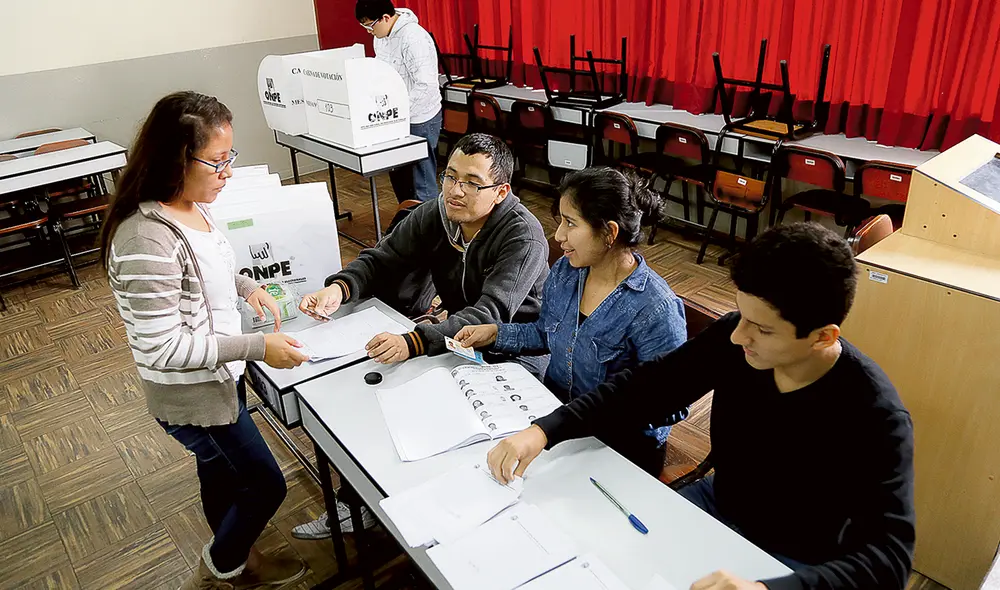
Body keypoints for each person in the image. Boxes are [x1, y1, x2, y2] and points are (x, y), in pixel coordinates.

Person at [487, 223, 916, 590]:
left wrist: (766, 588)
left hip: (801, 557)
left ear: (823, 336)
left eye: (762, 329)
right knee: (605, 560)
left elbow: (888, 559)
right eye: (741, 315)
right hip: (720, 501)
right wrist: (545, 430)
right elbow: (647, 387)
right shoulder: (737, 340)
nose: (738, 336)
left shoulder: (875, 415)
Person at [292, 133, 548, 540]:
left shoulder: (523, 236)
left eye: (471, 182)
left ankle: (451, 527)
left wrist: (415, 341)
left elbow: (488, 316)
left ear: (501, 191)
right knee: (379, 398)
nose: (455, 190)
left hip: (510, 353)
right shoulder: (439, 214)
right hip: (451, 340)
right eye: (450, 177)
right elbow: (382, 259)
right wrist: (338, 289)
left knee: (435, 418)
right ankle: (363, 501)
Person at [101, 92, 310, 590]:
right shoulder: (144, 239)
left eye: (229, 158)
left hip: (219, 376)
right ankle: (222, 565)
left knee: (218, 471)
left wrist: (248, 286)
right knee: (265, 483)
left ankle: (235, 554)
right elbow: (162, 348)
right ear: (176, 158)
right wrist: (258, 349)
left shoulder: (192, 207)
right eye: (217, 161)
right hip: (192, 391)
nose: (228, 171)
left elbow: (214, 265)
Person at [456, 167, 688, 475]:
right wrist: (496, 333)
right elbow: (546, 334)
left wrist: (588, 417)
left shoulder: (655, 309)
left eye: (570, 223)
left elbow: (669, 405)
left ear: (609, 233)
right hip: (555, 420)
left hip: (617, 447)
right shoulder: (568, 271)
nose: (559, 236)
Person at [357, 0, 442, 203]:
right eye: (364, 27)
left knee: (422, 179)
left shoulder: (414, 37)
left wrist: (397, 111)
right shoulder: (381, 37)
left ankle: (430, 228)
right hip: (395, 119)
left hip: (421, 117)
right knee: (399, 175)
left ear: (386, 18)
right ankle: (407, 223)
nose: (369, 31)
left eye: (370, 25)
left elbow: (425, 86)